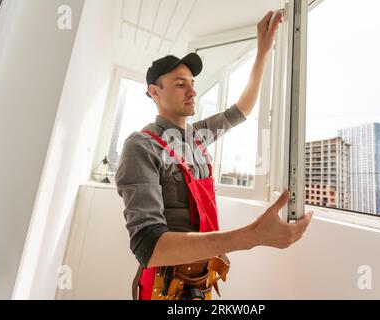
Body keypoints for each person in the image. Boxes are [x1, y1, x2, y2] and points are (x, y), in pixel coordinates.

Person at [115, 11, 313, 300]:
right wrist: (252, 236)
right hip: (166, 288)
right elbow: (150, 247)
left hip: (203, 281)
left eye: (193, 83)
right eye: (180, 83)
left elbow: (242, 109)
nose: (192, 91)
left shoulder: (197, 136)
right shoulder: (141, 146)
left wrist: (262, 52)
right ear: (154, 92)